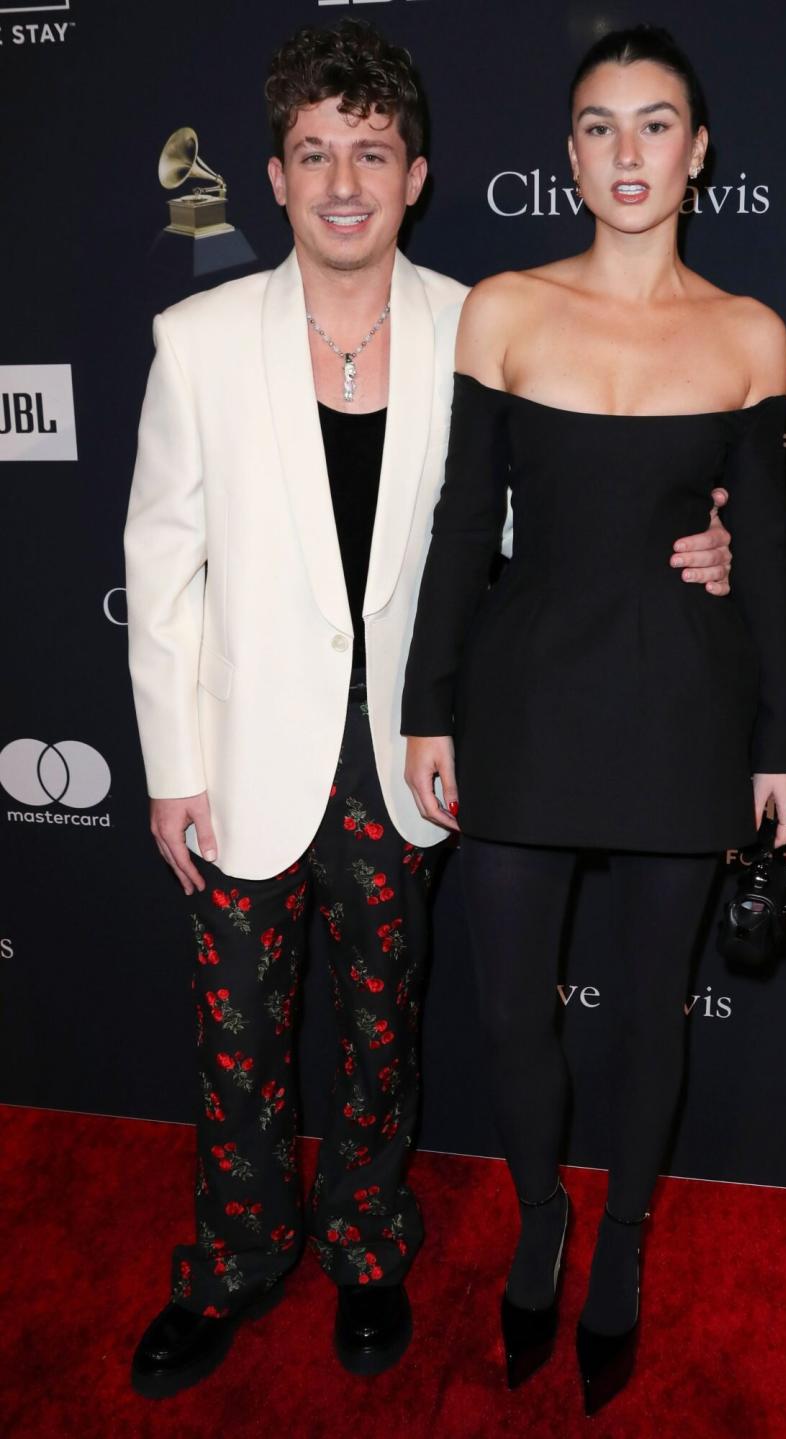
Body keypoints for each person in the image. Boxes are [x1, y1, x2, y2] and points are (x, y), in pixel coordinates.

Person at [124, 18, 735, 1400]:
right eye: (315, 153)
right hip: (241, 753)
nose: (345, 181)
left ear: (418, 176)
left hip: (417, 754)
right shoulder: (201, 338)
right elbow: (161, 560)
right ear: (273, 177)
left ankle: (365, 1249)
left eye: (374, 153)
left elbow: (573, 508)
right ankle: (230, 1264)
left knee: (384, 1029)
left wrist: (704, 542)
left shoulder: (495, 320)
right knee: (237, 1041)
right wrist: (171, 765)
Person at [402, 23, 786, 1419]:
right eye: (597, 125)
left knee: (649, 1016)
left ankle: (619, 1245)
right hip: (523, 700)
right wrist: (425, 706)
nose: (625, 152)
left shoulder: (751, 334)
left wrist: (782, 744)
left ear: (697, 153)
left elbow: (772, 558)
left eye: (653, 124)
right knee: (512, 1011)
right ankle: (537, 1219)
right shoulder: (503, 306)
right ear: (568, 152)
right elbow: (464, 526)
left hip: (684, 709)